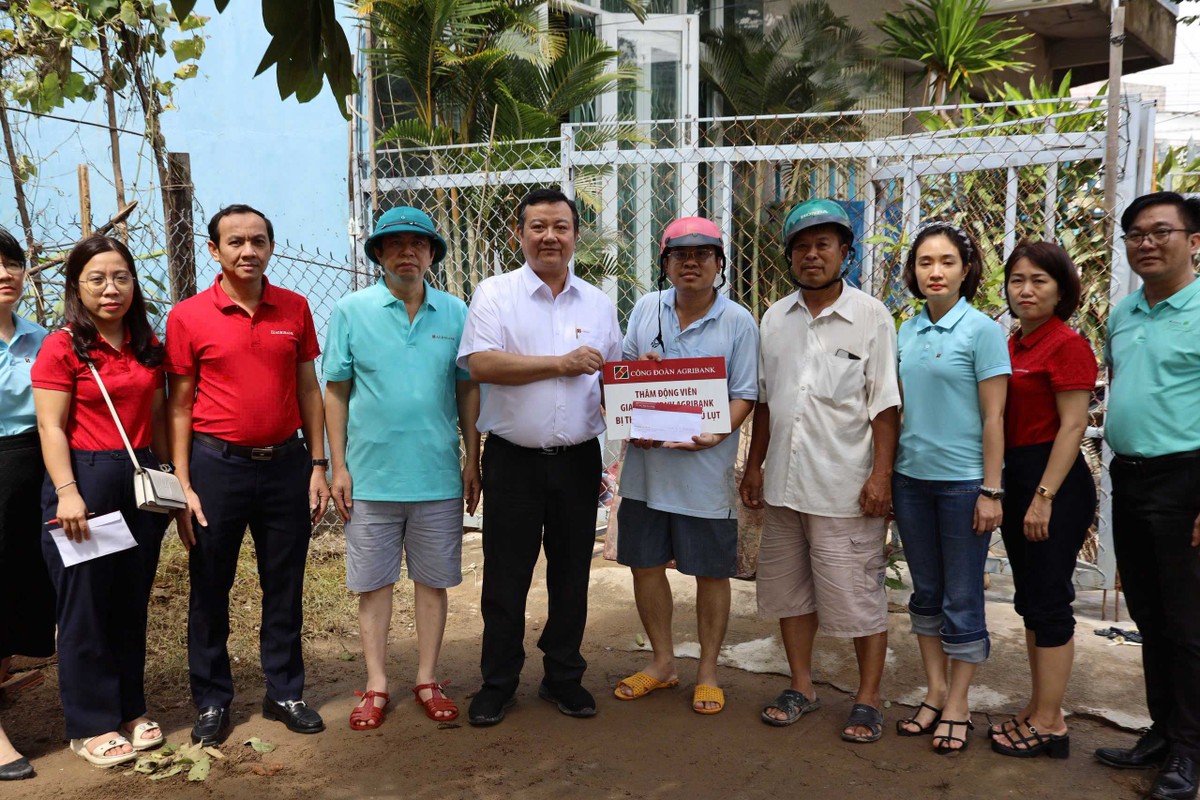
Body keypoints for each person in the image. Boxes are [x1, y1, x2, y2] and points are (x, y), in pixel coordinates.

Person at [165, 205, 331, 746]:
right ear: (214, 250)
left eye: (258, 241)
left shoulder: (294, 307)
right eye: (235, 242)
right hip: (217, 467)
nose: (248, 251)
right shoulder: (188, 316)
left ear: (271, 247)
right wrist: (184, 482)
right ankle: (213, 699)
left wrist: (318, 463)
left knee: (284, 583)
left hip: (285, 465)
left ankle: (284, 691)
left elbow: (308, 388)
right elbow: (179, 404)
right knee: (210, 585)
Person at [457, 187, 621, 726]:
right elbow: (480, 364)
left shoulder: (598, 303)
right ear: (519, 234)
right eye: (538, 227)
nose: (550, 237)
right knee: (506, 578)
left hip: (578, 460)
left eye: (560, 227)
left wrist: (646, 383)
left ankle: (564, 677)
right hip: (514, 460)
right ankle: (498, 682)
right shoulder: (495, 294)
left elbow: (613, 380)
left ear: (576, 235)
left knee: (571, 575)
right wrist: (560, 363)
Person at [739, 200, 900, 742]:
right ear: (790, 257)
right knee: (790, 593)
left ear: (845, 253)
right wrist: (754, 465)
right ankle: (801, 686)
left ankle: (867, 698)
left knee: (858, 597)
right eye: (802, 247)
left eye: (823, 245)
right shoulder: (774, 319)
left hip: (844, 487)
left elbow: (885, 406)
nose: (812, 255)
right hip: (785, 485)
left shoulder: (871, 316)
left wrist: (881, 476)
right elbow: (766, 402)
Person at [324, 206, 481, 729]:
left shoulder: (455, 313)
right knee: (374, 584)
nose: (407, 252)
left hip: (437, 476)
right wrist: (338, 467)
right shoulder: (351, 311)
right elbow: (336, 390)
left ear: (432, 253)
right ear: (378, 254)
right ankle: (375, 684)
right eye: (394, 244)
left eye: (418, 243)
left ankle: (427, 679)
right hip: (370, 478)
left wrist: (472, 459)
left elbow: (467, 390)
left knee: (432, 583)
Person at [32, 236, 170, 767]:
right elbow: (50, 426)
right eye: (97, 279)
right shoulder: (62, 346)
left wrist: (169, 477)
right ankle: (90, 724)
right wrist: (68, 492)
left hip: (139, 481)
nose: (111, 289)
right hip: (85, 484)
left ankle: (130, 709)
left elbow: (156, 416)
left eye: (121, 277)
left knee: (129, 601)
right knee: (85, 605)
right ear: (76, 286)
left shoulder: (145, 343)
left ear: (134, 284)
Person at [612, 217, 758, 715]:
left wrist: (719, 433)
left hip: (705, 474)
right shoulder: (646, 308)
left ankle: (708, 672)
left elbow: (744, 393)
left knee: (711, 573)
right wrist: (639, 375)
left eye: (702, 254)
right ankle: (662, 663)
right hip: (647, 471)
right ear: (666, 264)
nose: (691, 263)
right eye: (679, 255)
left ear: (719, 263)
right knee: (645, 565)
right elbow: (625, 376)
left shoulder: (738, 321)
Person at [1094, 191, 1200, 800]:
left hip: (1187, 479)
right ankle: (1163, 731)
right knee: (1150, 616)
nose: (1147, 243)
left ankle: (1190, 749)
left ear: (1194, 241)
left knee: (1188, 622)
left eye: (1161, 231)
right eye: (1135, 233)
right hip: (1130, 478)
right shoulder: (1124, 313)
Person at [890, 222, 1010, 754]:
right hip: (910, 481)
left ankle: (959, 702)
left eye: (946, 262)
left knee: (962, 596)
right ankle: (935, 691)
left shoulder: (982, 331)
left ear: (966, 270)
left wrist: (992, 490)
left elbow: (994, 417)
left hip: (964, 485)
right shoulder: (906, 331)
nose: (935, 272)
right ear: (913, 272)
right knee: (926, 592)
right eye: (925, 262)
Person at [988, 241, 1096, 760]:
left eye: (1039, 281)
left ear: (1061, 289)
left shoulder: (1066, 344)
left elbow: (1073, 426)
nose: (1026, 290)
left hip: (1054, 481)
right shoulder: (1012, 344)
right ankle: (1038, 707)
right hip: (1018, 475)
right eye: (1017, 280)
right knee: (1031, 599)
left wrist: (1043, 497)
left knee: (1050, 600)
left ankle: (1051, 723)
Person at [0, 226, 52, 782]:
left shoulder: (41, 338)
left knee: (17, 590)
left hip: (35, 469)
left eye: (11, 262)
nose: (4, 273)